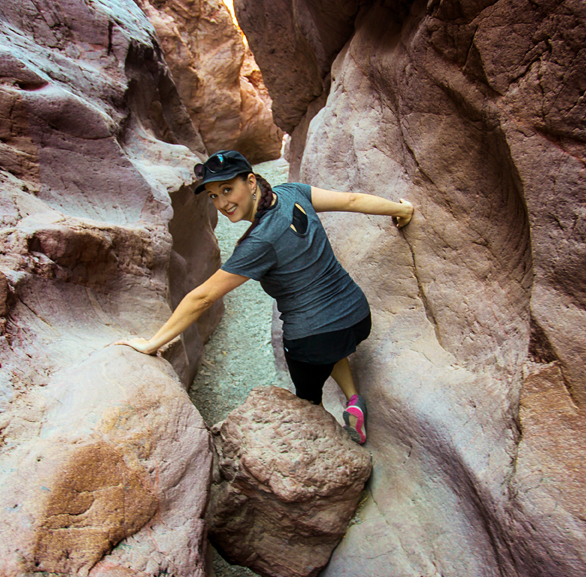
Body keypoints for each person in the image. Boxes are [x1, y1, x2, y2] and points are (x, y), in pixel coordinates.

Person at [114, 150, 413, 444]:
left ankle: (332, 446)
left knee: (309, 410)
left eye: (228, 189)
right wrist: (402, 211)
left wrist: (152, 343)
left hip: (312, 340)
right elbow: (352, 200)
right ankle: (353, 400)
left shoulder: (259, 242)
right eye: (214, 196)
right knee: (331, 343)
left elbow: (202, 298)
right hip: (357, 315)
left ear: (252, 182)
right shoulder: (293, 192)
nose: (222, 203)